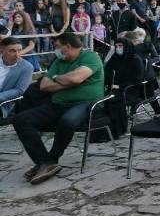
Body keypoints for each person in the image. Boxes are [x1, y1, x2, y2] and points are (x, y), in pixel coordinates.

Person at [13, 33, 104, 184]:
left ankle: (51, 159)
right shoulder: (60, 61)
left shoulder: (90, 57)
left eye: (57, 47)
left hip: (86, 103)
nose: (55, 50)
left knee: (67, 121)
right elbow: (44, 85)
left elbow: (76, 78)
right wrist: (67, 80)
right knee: (21, 119)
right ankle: (45, 162)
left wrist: (57, 78)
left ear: (67, 47)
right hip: (57, 104)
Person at [0, 37, 33, 117]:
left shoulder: (26, 67)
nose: (17, 55)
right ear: (2, 50)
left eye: (19, 50)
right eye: (12, 51)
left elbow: (19, 90)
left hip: (2, 103)